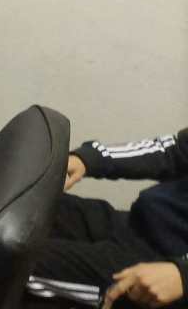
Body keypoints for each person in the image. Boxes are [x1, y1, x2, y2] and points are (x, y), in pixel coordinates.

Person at [20, 128, 188, 309]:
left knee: (10, 259)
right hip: (134, 225)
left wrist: (183, 275)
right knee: (21, 204)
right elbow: (172, 151)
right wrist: (88, 159)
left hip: (162, 268)